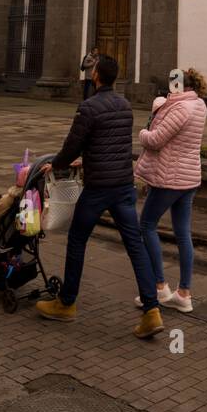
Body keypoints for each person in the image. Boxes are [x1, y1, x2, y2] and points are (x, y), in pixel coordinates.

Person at [36, 54, 163, 339]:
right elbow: (110, 144)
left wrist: (57, 163)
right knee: (135, 245)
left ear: (95, 77)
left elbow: (73, 146)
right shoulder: (125, 105)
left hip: (97, 190)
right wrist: (86, 160)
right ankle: (152, 310)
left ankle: (66, 304)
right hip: (122, 186)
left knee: (77, 240)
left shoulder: (88, 107)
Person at [135, 66, 207, 313]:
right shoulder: (199, 105)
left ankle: (159, 287)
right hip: (189, 179)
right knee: (183, 234)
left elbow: (155, 140)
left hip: (170, 178)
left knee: (146, 225)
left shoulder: (180, 108)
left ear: (178, 85)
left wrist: (142, 132)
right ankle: (184, 293)